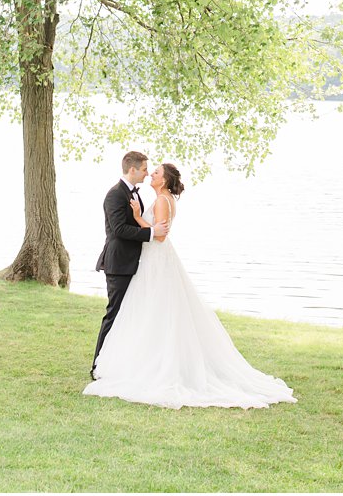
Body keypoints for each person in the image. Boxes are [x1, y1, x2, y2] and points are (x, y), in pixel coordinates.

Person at [85, 160, 296, 409]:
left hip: (156, 261)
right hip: (143, 262)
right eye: (147, 170)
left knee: (155, 312)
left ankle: (147, 365)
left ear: (163, 180)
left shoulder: (163, 200)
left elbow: (160, 235)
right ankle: (120, 361)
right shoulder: (138, 196)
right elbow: (133, 229)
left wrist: (138, 218)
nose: (150, 174)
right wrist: (142, 221)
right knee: (144, 312)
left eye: (155, 172)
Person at [91, 151, 167, 380]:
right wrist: (152, 232)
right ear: (132, 169)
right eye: (144, 169)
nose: (146, 173)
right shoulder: (115, 195)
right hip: (118, 263)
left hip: (135, 263)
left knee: (130, 315)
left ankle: (120, 362)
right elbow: (119, 230)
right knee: (114, 314)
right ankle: (97, 365)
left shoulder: (135, 193)